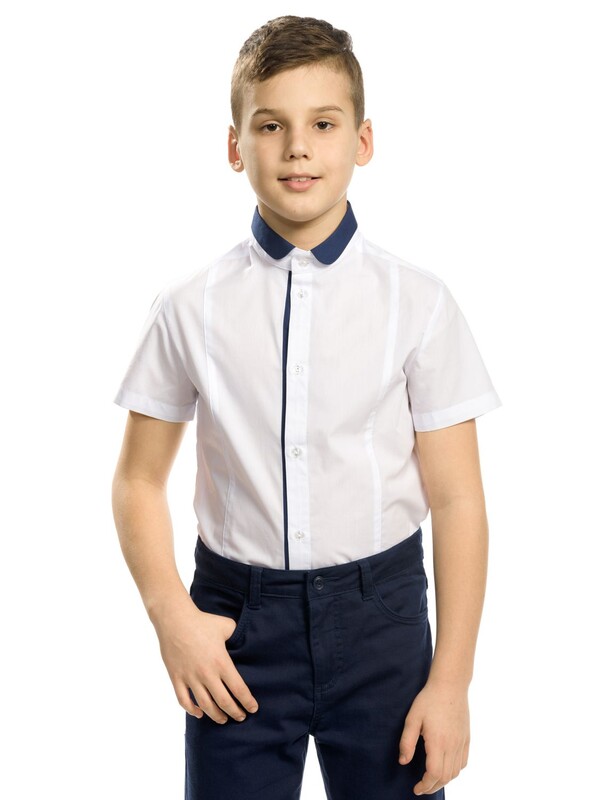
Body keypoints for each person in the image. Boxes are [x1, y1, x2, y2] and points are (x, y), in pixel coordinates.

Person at [111, 15, 502, 800]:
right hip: (236, 628)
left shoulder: (418, 303)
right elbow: (137, 481)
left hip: (382, 622)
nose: (298, 148)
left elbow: (459, 499)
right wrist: (172, 618)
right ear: (235, 146)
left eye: (323, 124)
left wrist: (451, 682)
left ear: (362, 141)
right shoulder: (188, 306)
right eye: (271, 126)